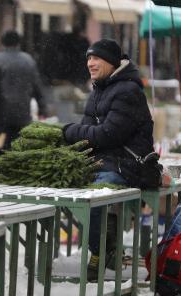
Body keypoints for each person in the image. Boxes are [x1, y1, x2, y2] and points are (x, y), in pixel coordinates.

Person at [62, 39, 154, 281]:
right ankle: (106, 243)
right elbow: (89, 131)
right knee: (63, 190)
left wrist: (68, 132)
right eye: (88, 58)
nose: (90, 63)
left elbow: (108, 134)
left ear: (112, 63)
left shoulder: (128, 90)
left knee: (92, 197)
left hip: (126, 165)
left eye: (96, 58)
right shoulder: (100, 88)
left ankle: (100, 251)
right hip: (104, 161)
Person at [0, 30, 47, 152]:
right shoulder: (29, 61)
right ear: (19, 43)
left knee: (2, 151)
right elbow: (38, 87)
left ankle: (3, 170)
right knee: (20, 152)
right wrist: (43, 110)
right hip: (23, 115)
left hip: (1, 117)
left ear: (2, 43)